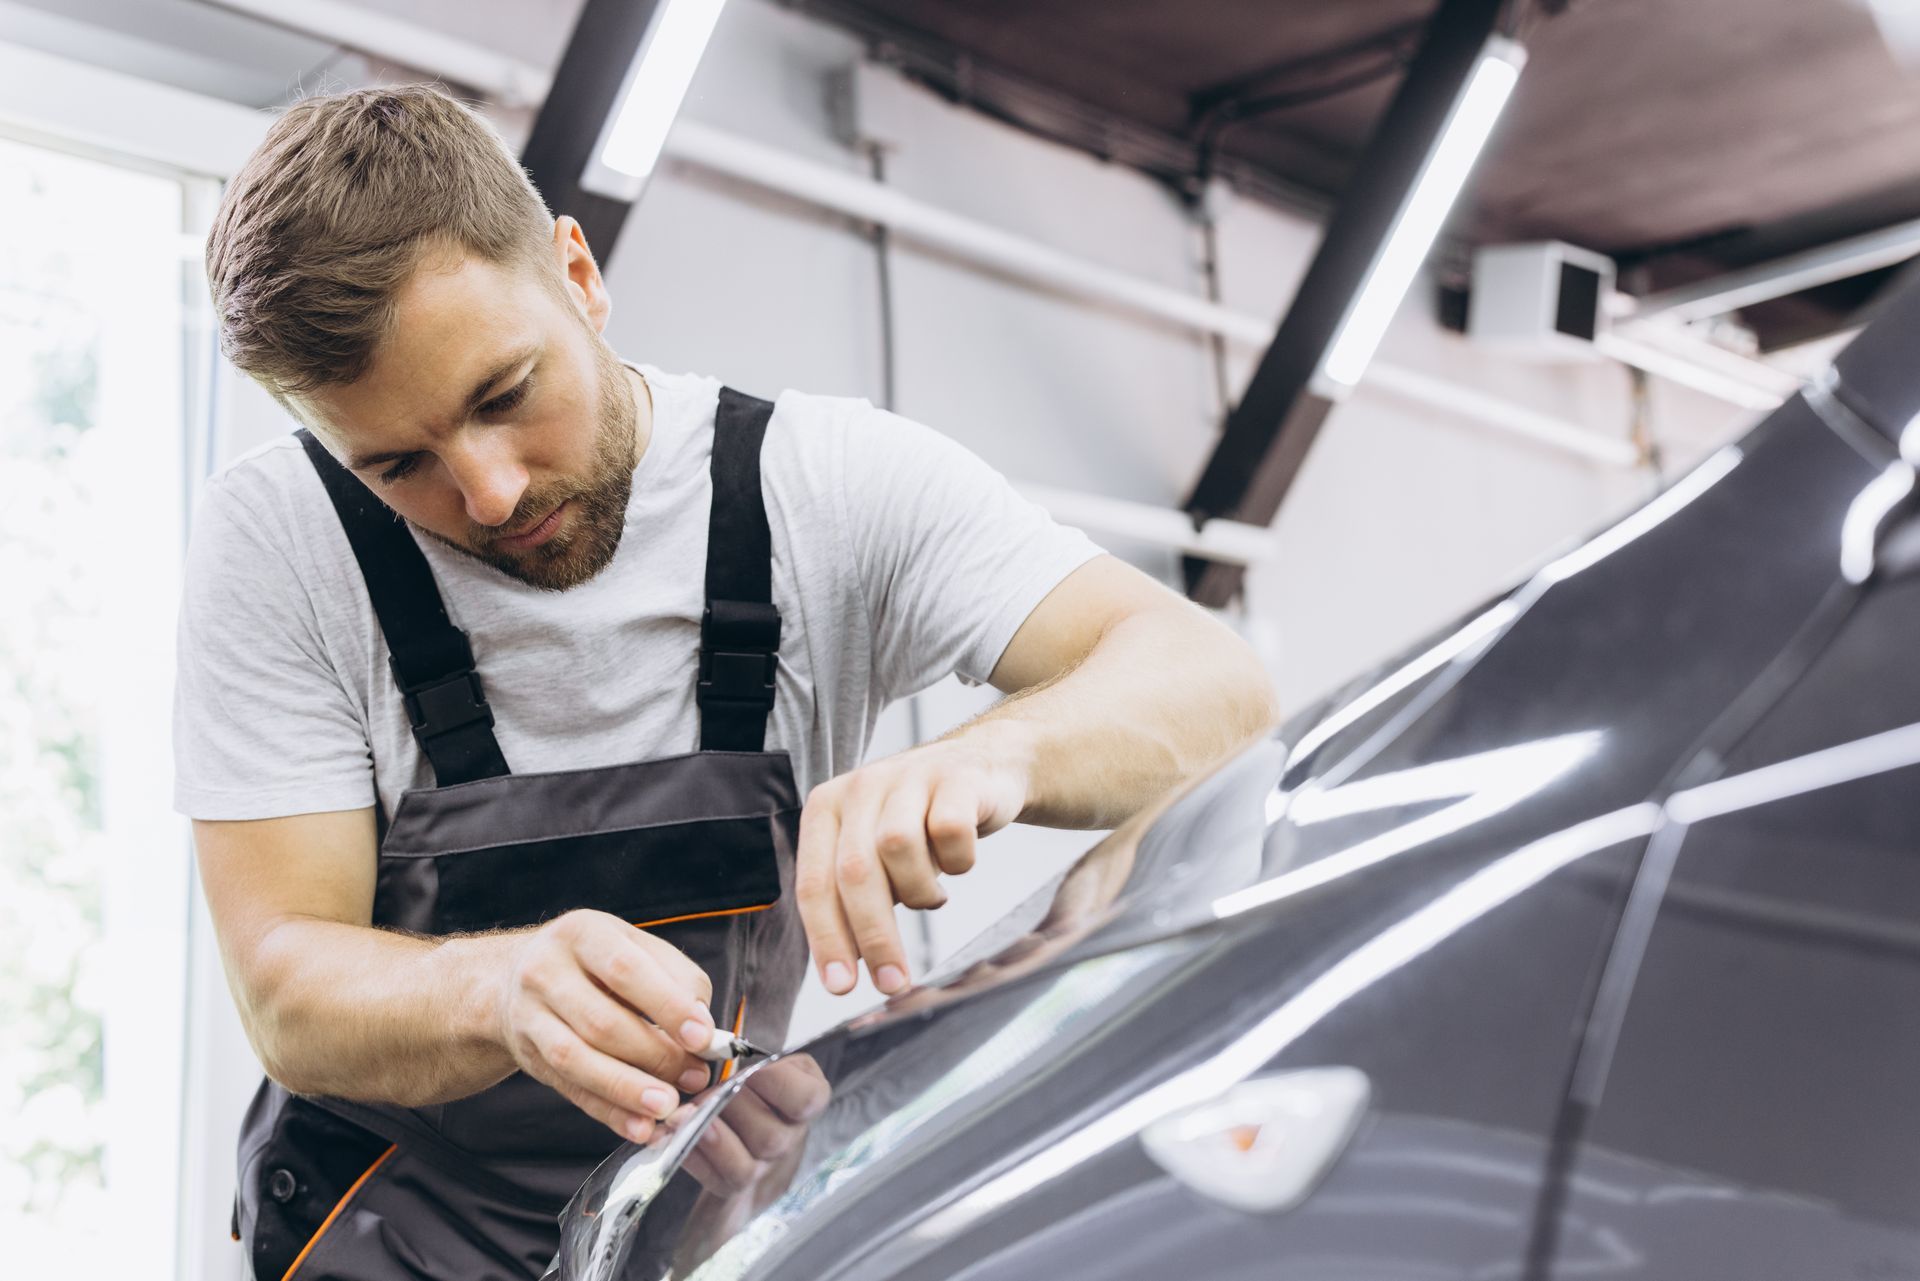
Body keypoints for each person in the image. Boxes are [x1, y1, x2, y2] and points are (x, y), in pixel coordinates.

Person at [175, 83, 1276, 1280]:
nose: (487, 494)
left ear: (578, 276)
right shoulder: (280, 541)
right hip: (385, 1233)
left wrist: (993, 752)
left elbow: (1212, 685)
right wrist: (499, 989)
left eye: (503, 396)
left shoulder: (827, 488)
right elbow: (285, 986)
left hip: (692, 1214)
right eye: (398, 465)